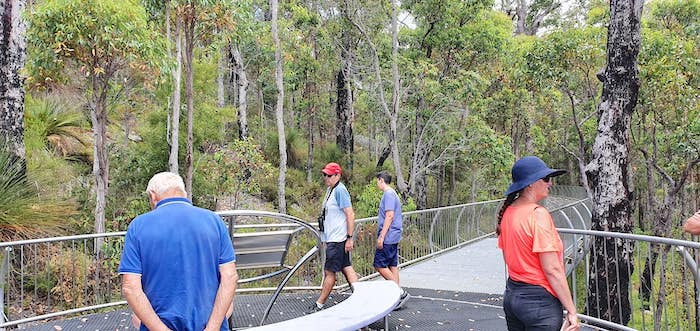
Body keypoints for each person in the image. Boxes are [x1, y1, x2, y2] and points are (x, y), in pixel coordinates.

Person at [119, 172, 239, 331]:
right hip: (208, 324)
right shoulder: (214, 221)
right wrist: (213, 327)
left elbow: (130, 287)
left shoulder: (138, 226)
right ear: (184, 193)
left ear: (153, 196)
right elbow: (230, 277)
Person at [497, 156, 580, 331]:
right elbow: (552, 269)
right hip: (539, 305)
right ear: (530, 184)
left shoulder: (508, 213)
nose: (550, 184)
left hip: (513, 297)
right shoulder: (538, 214)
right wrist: (571, 310)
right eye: (546, 179)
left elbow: (509, 258)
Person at [309, 162, 358, 312]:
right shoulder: (331, 190)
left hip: (338, 239)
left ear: (337, 175)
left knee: (329, 272)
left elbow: (350, 214)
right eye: (324, 174)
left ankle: (320, 304)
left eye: (329, 175)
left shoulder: (340, 191)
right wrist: (324, 238)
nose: (326, 178)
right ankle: (361, 296)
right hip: (333, 238)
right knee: (346, 267)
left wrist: (349, 238)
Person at [374, 171, 409, 309]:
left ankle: (400, 292)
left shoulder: (388, 194)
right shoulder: (393, 193)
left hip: (388, 236)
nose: (377, 184)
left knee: (379, 264)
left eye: (377, 181)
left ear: (381, 180)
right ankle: (397, 297)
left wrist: (381, 236)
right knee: (392, 265)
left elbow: (389, 216)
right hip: (394, 235)